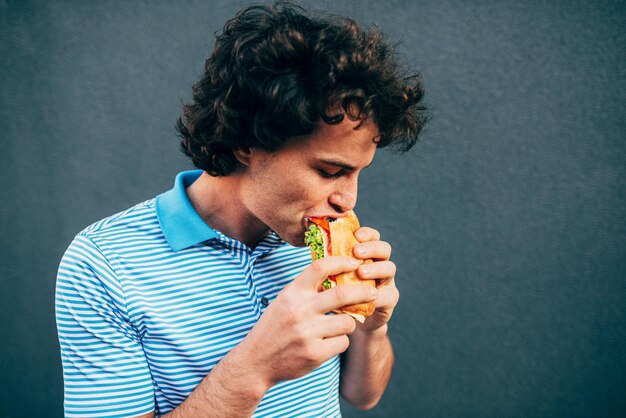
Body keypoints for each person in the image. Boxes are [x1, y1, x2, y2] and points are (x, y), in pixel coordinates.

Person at [55, 2, 426, 417]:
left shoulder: (311, 244)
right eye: (329, 171)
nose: (349, 200)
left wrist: (373, 329)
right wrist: (257, 365)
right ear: (246, 143)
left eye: (358, 173)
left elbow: (364, 395)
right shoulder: (102, 265)